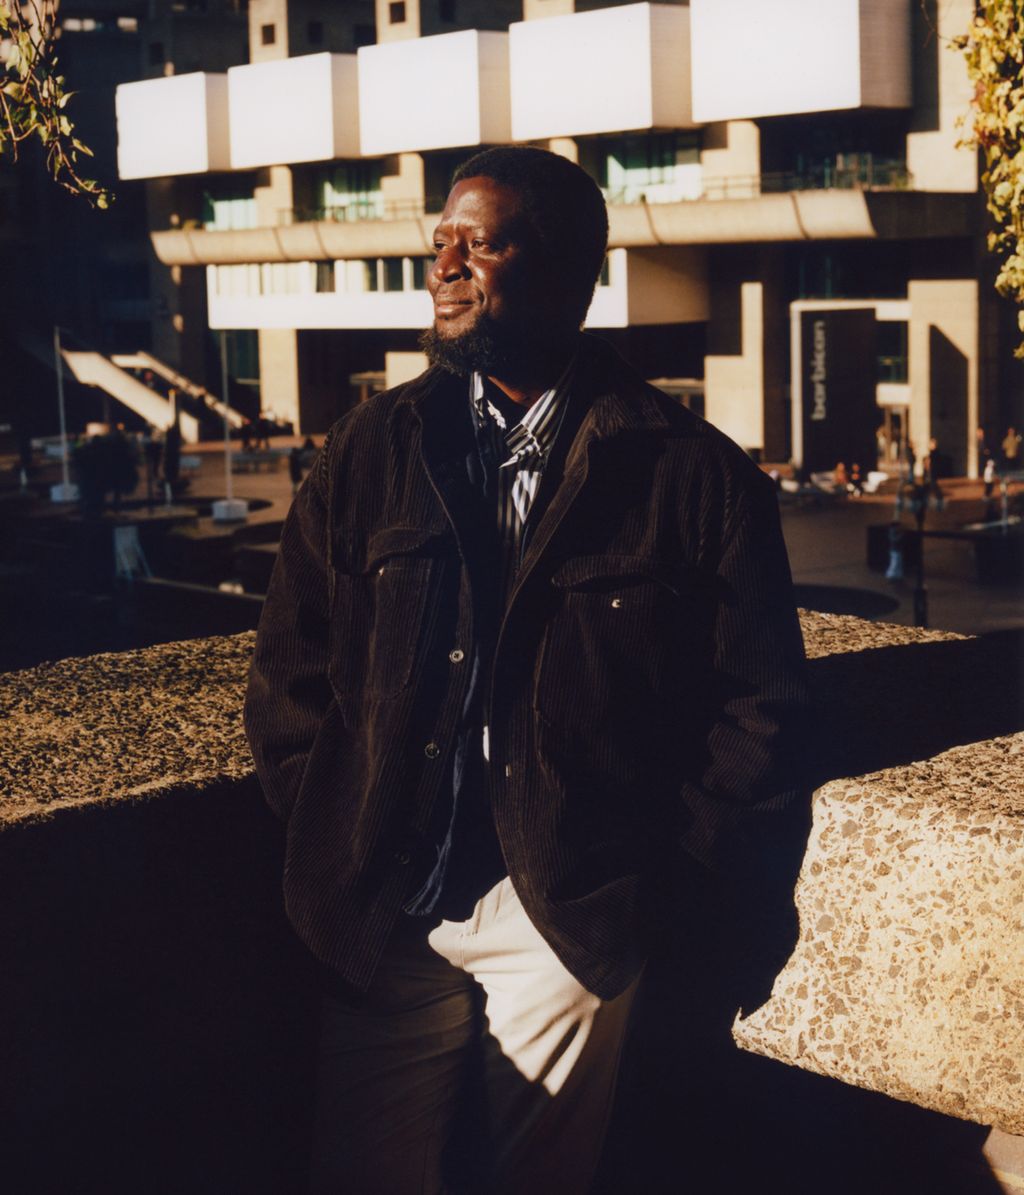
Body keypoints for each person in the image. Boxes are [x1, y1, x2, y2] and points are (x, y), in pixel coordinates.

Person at [244, 146, 809, 1194]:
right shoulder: (367, 449)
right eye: (437, 241)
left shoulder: (693, 478)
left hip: (566, 919)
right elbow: (290, 678)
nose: (444, 265)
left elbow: (758, 712)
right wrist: (339, 827)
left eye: (479, 242)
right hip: (384, 912)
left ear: (564, 273)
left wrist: (657, 891)